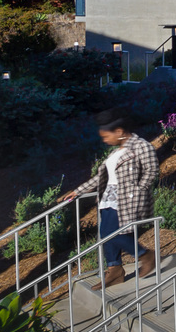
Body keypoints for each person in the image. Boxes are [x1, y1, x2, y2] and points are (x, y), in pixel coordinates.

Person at [61, 109, 157, 288]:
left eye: (106, 136)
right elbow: (101, 178)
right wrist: (78, 191)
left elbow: (151, 171)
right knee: (105, 235)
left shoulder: (142, 146)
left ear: (119, 132)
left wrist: (138, 190)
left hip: (126, 199)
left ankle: (145, 255)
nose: (105, 140)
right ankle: (115, 271)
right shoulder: (116, 152)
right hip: (107, 198)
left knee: (112, 234)